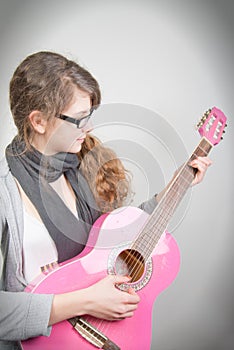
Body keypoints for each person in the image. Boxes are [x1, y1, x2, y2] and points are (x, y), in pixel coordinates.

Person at [0, 51, 212, 350]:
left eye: (90, 116)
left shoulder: (80, 169)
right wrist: (86, 301)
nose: (88, 128)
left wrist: (178, 185)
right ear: (38, 121)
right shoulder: (5, 190)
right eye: (78, 119)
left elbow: (111, 237)